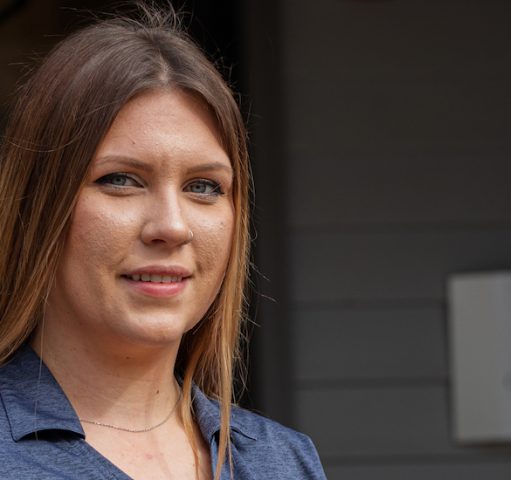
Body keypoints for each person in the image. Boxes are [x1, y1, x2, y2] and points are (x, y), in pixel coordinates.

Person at [0, 5, 326, 480]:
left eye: (204, 186)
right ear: (39, 205)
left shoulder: (283, 461)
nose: (172, 227)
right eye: (121, 179)